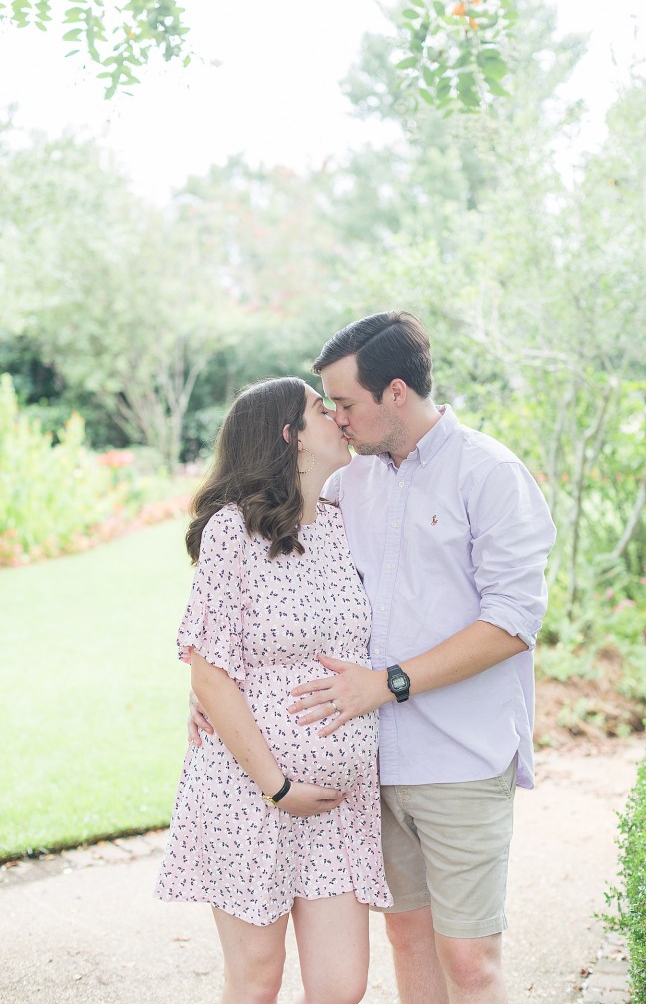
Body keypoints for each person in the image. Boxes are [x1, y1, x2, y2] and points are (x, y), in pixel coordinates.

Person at [190, 312, 556, 1004]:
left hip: (460, 757)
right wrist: (207, 688)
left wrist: (388, 684)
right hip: (370, 775)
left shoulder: (490, 474)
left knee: (471, 960)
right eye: (325, 408)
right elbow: (253, 600)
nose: (338, 418)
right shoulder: (342, 489)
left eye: (345, 404)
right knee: (406, 940)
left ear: (394, 392)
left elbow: (512, 620)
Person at [156, 376, 391, 1004]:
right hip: (250, 794)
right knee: (257, 980)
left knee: (342, 989)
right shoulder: (233, 533)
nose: (339, 416)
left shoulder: (344, 528)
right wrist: (279, 786)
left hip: (339, 805)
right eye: (323, 409)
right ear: (290, 436)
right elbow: (209, 669)